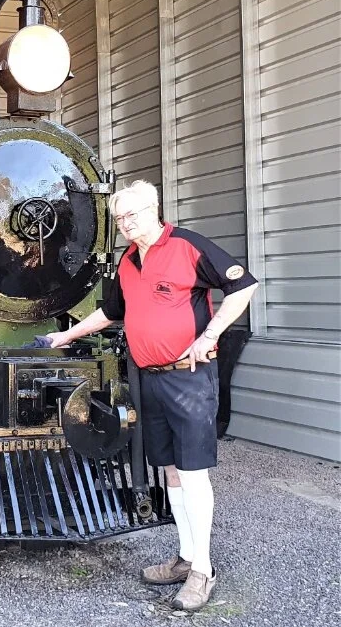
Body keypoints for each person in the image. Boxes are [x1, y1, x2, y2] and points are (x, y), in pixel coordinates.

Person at [46, 180, 258, 612]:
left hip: (189, 377)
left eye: (133, 214)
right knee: (172, 472)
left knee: (193, 471)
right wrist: (65, 335)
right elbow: (112, 312)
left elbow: (245, 286)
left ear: (154, 209)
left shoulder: (187, 246)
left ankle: (204, 570)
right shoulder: (127, 261)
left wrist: (211, 334)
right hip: (150, 377)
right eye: (121, 217)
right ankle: (185, 556)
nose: (126, 224)